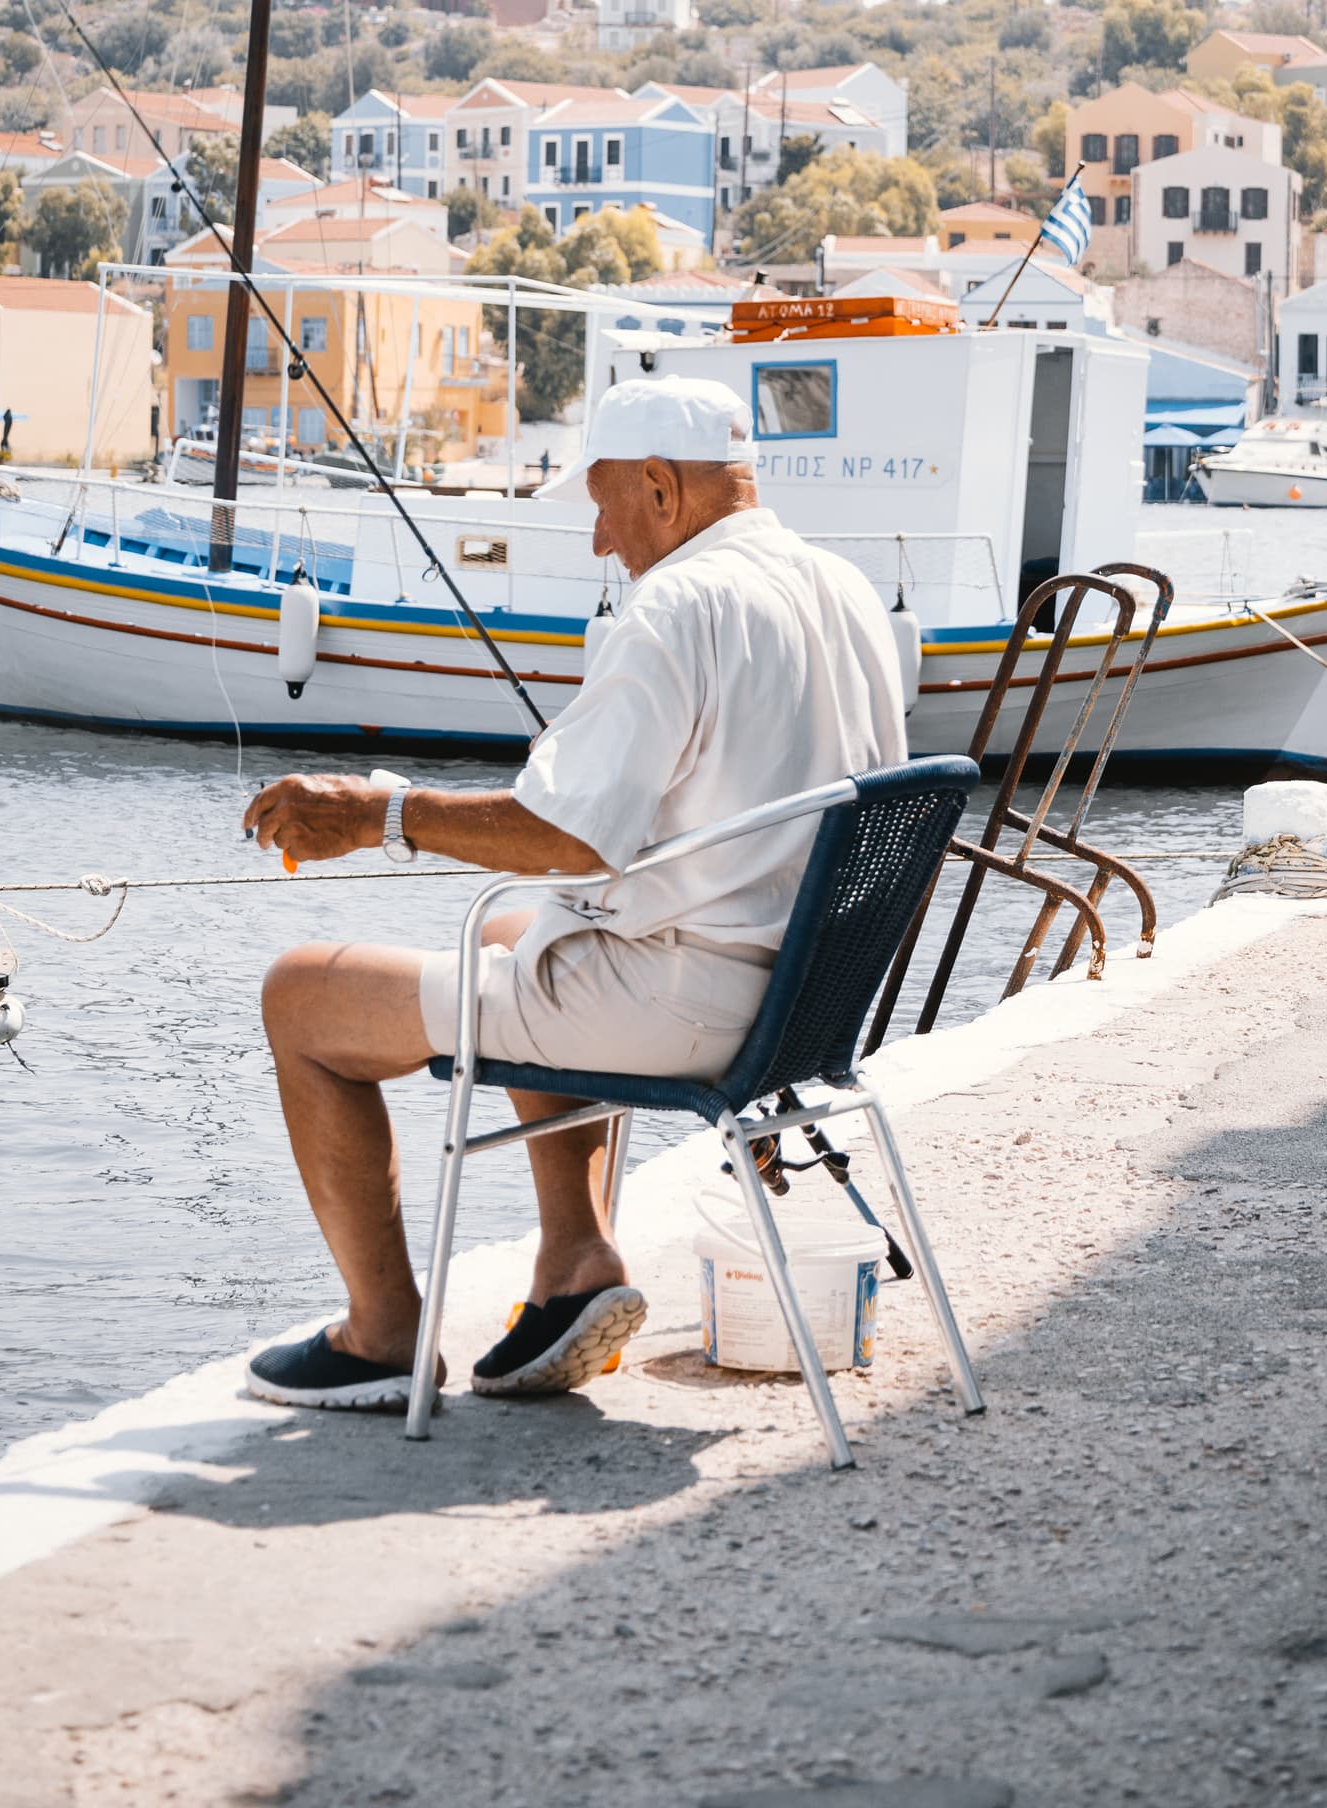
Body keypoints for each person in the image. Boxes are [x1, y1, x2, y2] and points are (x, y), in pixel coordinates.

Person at [239, 374, 907, 1414]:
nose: (600, 539)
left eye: (601, 504)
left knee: (300, 997)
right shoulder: (843, 589)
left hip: (689, 1007)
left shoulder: (677, 607)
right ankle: (575, 1262)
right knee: (517, 922)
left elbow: (564, 834)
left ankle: (380, 1337)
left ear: (658, 487)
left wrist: (378, 815)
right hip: (804, 998)